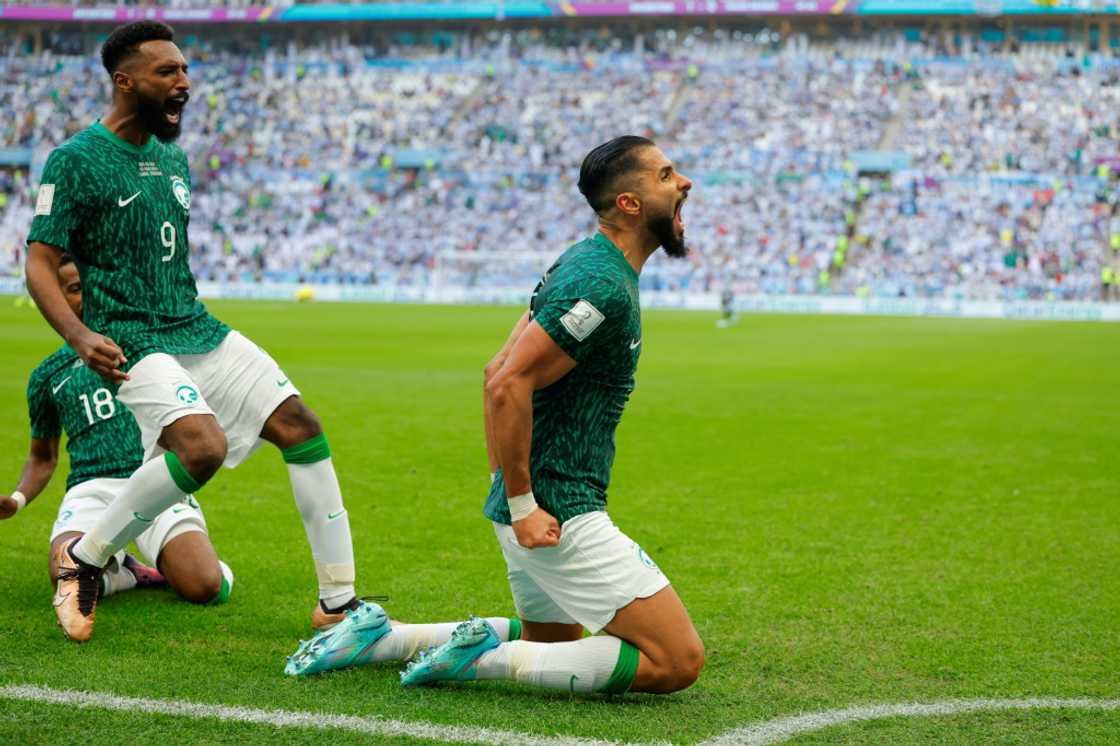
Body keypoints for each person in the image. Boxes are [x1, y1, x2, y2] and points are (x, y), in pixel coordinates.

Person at [288, 136, 705, 697]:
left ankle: (383, 638)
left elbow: (494, 372)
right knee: (677, 660)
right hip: (560, 512)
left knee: (556, 644)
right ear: (630, 203)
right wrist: (524, 504)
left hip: (530, 510)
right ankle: (480, 658)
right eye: (666, 174)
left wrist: (508, 495)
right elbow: (508, 381)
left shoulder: (583, 261)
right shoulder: (600, 283)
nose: (684, 183)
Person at [24, 21, 367, 642]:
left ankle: (338, 607)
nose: (185, 83)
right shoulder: (75, 160)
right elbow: (40, 261)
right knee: (201, 448)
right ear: (125, 82)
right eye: (168, 73)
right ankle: (88, 558)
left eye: (185, 71)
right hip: (131, 335)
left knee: (301, 427)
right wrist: (78, 335)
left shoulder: (173, 157)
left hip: (195, 326)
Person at [2, 254, 233, 617]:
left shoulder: (145, 348)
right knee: (63, 573)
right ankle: (124, 573)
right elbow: (43, 457)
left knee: (204, 586)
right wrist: (17, 499)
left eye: (88, 283)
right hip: (90, 488)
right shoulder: (47, 376)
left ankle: (139, 562)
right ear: (56, 301)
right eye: (75, 289)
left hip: (155, 482)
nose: (87, 295)